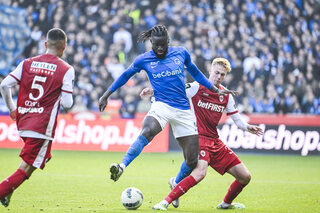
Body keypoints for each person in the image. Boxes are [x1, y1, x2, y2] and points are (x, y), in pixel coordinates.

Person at [98, 25, 237, 182]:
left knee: (192, 161)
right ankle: (121, 166)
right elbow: (124, 76)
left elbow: (196, 74)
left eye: (162, 45)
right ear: (151, 42)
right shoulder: (143, 59)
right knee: (147, 131)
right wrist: (106, 94)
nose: (159, 48)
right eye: (155, 45)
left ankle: (175, 182)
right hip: (161, 105)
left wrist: (214, 89)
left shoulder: (181, 53)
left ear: (168, 42)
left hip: (183, 110)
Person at [141, 58, 264, 210]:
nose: (219, 77)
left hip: (215, 141)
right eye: (217, 73)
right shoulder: (196, 87)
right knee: (200, 173)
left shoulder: (226, 95)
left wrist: (248, 127)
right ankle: (164, 202)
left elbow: (238, 121)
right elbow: (174, 88)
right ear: (210, 70)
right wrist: (153, 90)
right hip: (197, 138)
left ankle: (225, 203)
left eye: (222, 75)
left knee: (245, 177)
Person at [0, 28, 74, 207]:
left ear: (46, 44)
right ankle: (4, 190)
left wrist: (12, 108)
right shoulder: (66, 69)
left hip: (23, 121)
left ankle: (7, 193)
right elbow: (67, 103)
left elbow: (4, 85)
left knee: (43, 156)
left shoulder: (27, 63)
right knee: (26, 167)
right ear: (63, 47)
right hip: (41, 126)